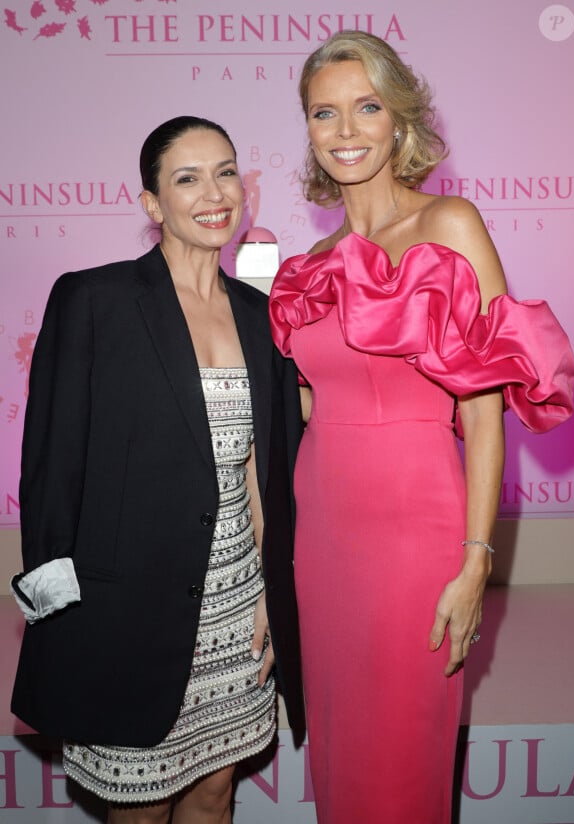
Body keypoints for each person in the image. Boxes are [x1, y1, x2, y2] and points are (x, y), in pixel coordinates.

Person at [268, 31, 574, 824]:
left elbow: (483, 412)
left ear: (398, 120)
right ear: (306, 127)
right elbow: (310, 404)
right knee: (338, 760)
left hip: (416, 532)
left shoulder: (451, 224)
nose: (345, 130)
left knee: (400, 760)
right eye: (323, 112)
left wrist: (477, 564)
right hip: (323, 537)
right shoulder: (313, 261)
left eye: (366, 107)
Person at [11, 115, 305, 823]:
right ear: (152, 204)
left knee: (212, 795)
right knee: (138, 808)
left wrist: (272, 595)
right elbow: (49, 465)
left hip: (237, 609)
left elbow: (265, 476)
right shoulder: (94, 300)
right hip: (123, 616)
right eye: (188, 177)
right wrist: (61, 617)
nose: (214, 192)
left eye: (226, 171)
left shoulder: (263, 316)